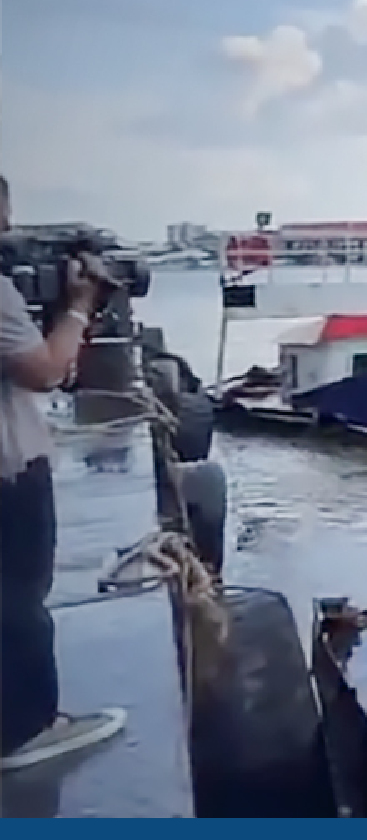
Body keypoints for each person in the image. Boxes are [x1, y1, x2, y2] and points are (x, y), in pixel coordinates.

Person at [0, 173, 127, 772]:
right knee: (20, 597)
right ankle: (26, 731)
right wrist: (77, 309)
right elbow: (46, 371)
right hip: (10, 469)